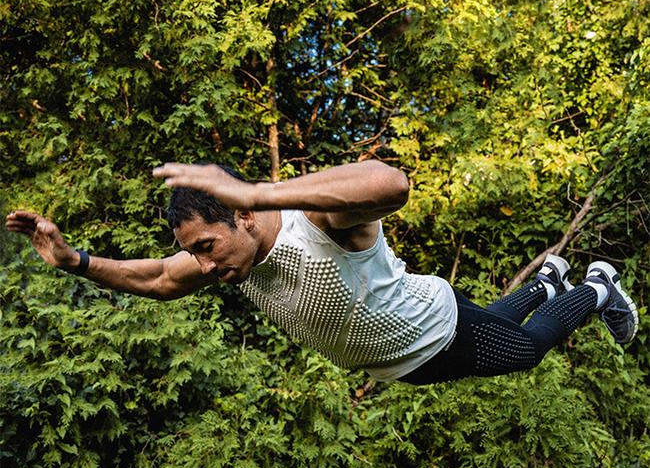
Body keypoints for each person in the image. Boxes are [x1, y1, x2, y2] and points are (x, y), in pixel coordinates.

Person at [5, 160, 638, 385]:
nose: (203, 264)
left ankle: (594, 287)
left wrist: (259, 191)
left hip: (430, 329)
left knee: (523, 350)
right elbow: (157, 279)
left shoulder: (314, 222)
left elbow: (391, 183)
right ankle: (548, 281)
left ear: (243, 217)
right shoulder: (226, 261)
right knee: (499, 324)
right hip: (400, 360)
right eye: (194, 251)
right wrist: (74, 260)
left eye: (207, 245)